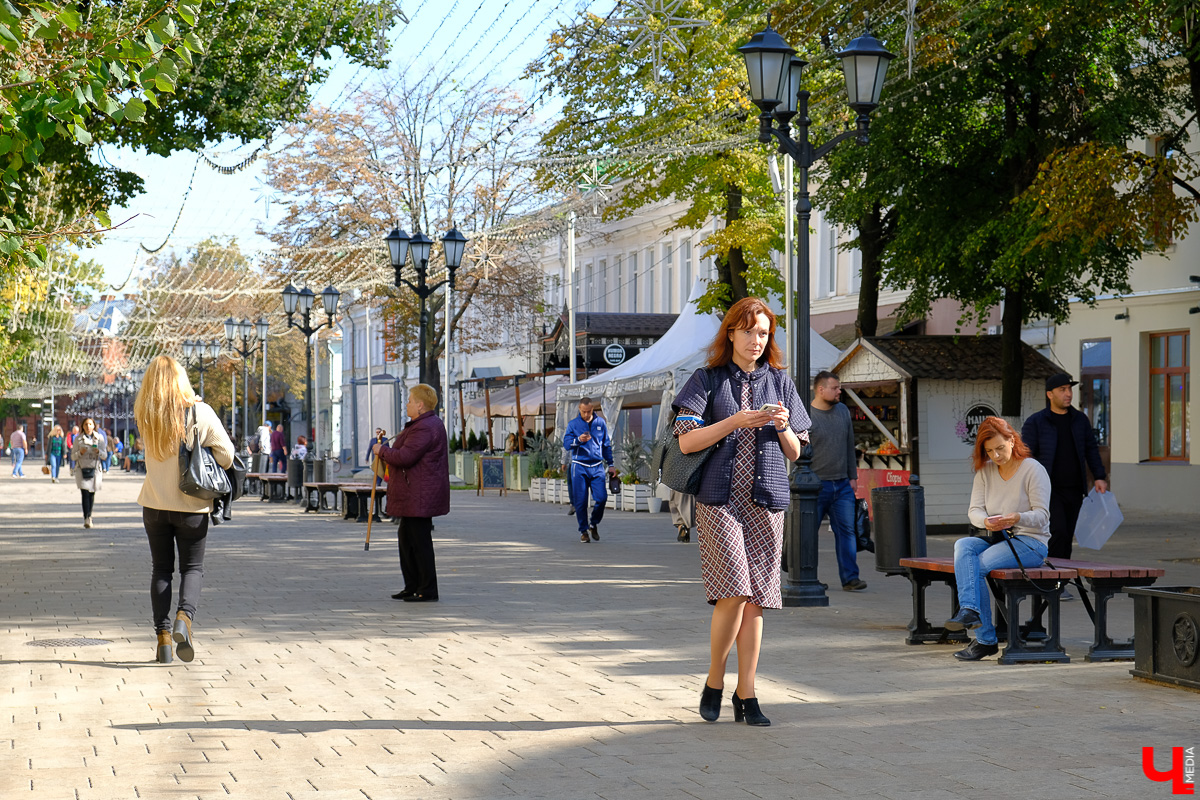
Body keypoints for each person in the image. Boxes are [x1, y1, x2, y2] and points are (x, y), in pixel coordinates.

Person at [672, 297, 810, 727]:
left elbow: (797, 451)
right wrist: (736, 421)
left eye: (763, 333)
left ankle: (745, 693)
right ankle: (715, 679)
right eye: (748, 331)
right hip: (719, 500)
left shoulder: (781, 383)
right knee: (733, 591)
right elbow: (686, 442)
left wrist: (783, 425)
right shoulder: (707, 379)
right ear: (731, 332)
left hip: (766, 500)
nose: (756, 340)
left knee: (756, 603)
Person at [135, 355, 235, 664]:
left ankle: (163, 637)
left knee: (161, 569)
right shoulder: (198, 412)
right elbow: (228, 456)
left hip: (153, 504)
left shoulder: (144, 413)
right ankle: (184, 618)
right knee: (192, 568)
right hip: (191, 506)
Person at [943, 416, 1051, 661]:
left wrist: (1017, 517)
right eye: (990, 451)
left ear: (1012, 440)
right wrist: (986, 521)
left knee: (977, 566)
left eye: (1000, 448)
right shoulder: (985, 472)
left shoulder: (1033, 469)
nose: (996, 456)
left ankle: (984, 639)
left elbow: (1042, 516)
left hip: (1031, 543)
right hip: (997, 538)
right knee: (964, 545)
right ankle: (970, 610)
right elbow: (974, 511)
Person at [1021, 372, 1108, 563]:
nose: (1068, 393)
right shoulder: (1036, 422)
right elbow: (1025, 456)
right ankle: (1052, 579)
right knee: (1057, 530)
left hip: (1075, 489)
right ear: (1050, 394)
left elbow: (1091, 449)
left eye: (1069, 389)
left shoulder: (1080, 420)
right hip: (1047, 489)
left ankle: (1061, 580)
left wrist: (1099, 476)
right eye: (1062, 390)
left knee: (1067, 534)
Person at [374, 384, 449, 603]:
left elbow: (406, 456)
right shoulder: (421, 425)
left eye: (409, 400)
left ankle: (426, 589)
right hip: (414, 492)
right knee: (407, 540)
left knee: (419, 542)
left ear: (419, 404)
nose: (406, 404)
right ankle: (413, 585)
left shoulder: (425, 427)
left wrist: (383, 451)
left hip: (420, 494)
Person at [808, 371, 866, 591]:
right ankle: (808, 578)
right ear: (821, 389)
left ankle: (851, 578)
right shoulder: (807, 415)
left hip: (842, 484)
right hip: (814, 486)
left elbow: (849, 444)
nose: (839, 391)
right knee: (808, 535)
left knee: (847, 531)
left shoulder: (842, 411)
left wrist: (853, 476)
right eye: (835, 388)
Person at [562, 397, 616, 543]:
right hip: (579, 466)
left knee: (602, 498)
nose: (586, 414)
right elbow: (566, 444)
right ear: (579, 410)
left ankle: (593, 523)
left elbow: (606, 445)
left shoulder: (600, 423)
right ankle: (583, 531)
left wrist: (611, 464)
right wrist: (578, 440)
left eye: (589, 411)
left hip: (597, 466)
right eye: (583, 411)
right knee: (580, 502)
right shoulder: (573, 424)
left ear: (593, 409)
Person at [70, 418, 107, 528]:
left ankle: (89, 515)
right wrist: (80, 453)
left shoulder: (99, 438)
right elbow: (72, 456)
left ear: (94, 426)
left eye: (90, 424)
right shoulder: (78, 439)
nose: (88, 426)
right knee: (85, 493)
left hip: (94, 469)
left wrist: (98, 452)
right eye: (86, 424)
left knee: (91, 493)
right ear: (83, 426)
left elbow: (105, 455)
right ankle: (86, 517)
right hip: (82, 468)